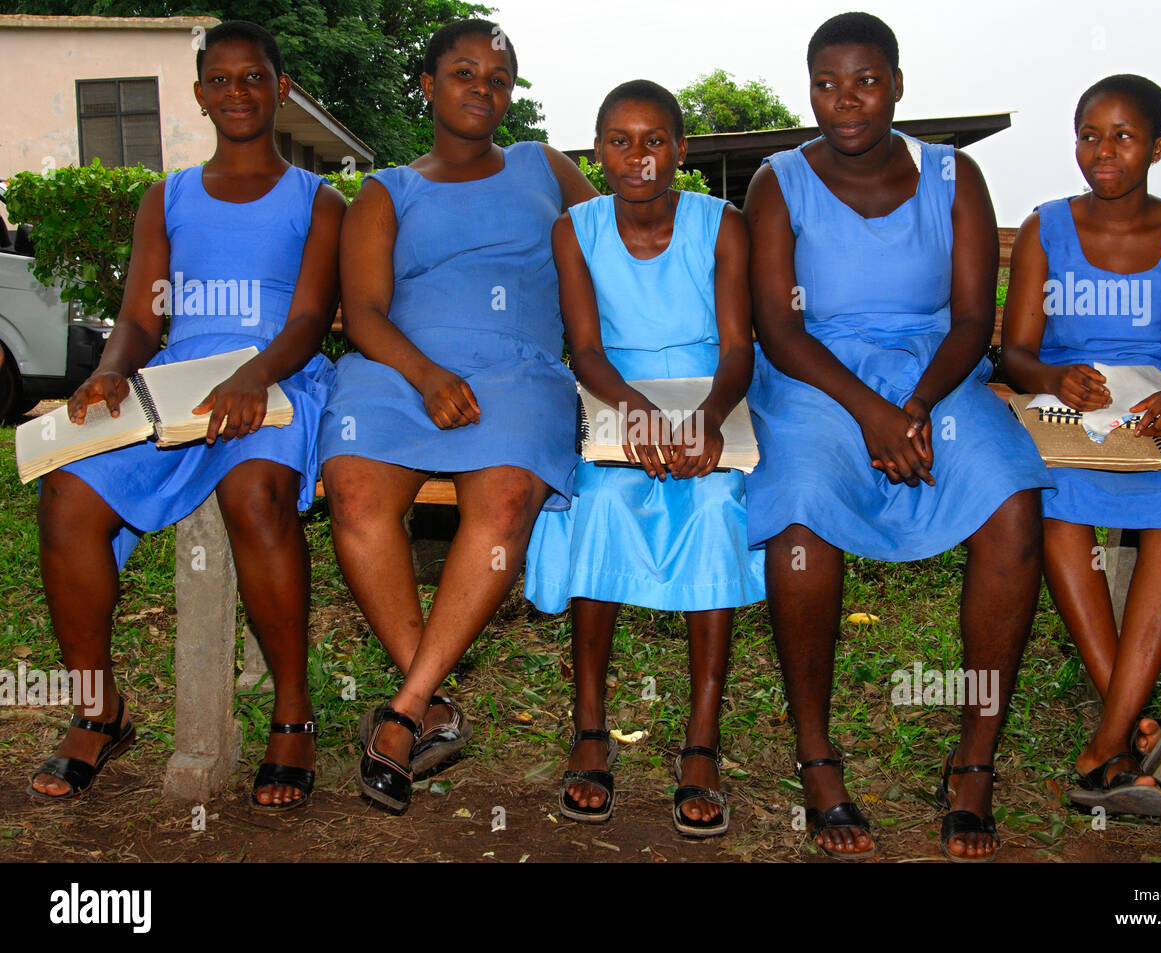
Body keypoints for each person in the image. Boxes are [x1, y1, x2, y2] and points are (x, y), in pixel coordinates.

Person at [743, 12, 1053, 861]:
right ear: (808, 88)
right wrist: (872, 414)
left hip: (936, 372)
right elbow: (778, 327)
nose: (845, 101)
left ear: (899, 85)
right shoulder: (777, 182)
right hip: (815, 376)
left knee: (1012, 503)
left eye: (867, 81)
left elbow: (969, 321)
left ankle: (975, 762)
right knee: (801, 516)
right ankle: (817, 756)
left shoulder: (956, 176)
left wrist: (911, 406)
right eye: (826, 83)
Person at [30, 20, 345, 811]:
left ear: (280, 90)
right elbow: (140, 319)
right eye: (221, 80)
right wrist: (108, 372)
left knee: (253, 493)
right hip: (177, 383)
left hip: (280, 376)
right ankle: (99, 710)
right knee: (66, 490)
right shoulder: (166, 196)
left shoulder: (320, 198)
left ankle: (292, 714)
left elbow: (310, 319)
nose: (237, 92)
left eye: (254, 78)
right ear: (202, 95)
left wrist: (253, 375)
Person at [318, 19, 597, 815]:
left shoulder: (545, 167)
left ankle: (405, 711)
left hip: (518, 367)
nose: (483, 88)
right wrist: (427, 372)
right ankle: (428, 699)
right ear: (428, 86)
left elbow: (615, 244)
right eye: (464, 72)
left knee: (505, 498)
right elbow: (362, 311)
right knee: (355, 493)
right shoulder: (388, 189)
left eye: (498, 79)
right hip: (400, 365)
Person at [1001, 74, 1161, 817]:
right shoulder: (1047, 228)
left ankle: (1108, 741)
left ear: (1158, 147)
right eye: (1089, 134)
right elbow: (1016, 351)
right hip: (1072, 414)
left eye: (1123, 136)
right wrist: (1054, 374)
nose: (1102, 151)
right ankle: (1128, 733)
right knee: (1052, 500)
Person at [524, 81, 764, 836]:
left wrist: (704, 419)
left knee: (717, 505)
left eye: (655, 140)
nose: (638, 157)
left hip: (707, 397)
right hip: (615, 393)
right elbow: (586, 349)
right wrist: (639, 415)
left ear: (681, 150)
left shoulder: (722, 224)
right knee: (600, 502)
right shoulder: (576, 229)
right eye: (620, 141)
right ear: (598, 152)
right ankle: (589, 726)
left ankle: (702, 739)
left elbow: (736, 348)